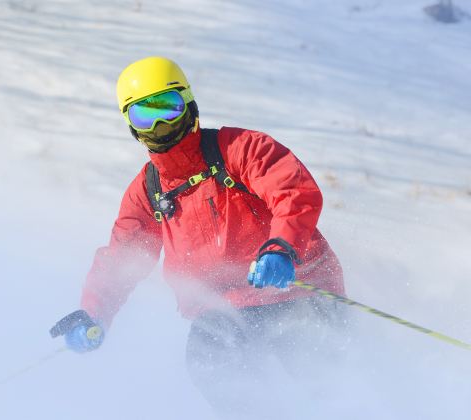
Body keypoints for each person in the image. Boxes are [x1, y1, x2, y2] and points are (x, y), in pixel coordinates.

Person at [52, 56, 346, 419]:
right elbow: (123, 256)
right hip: (223, 306)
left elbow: (293, 192)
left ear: (188, 103)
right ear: (130, 124)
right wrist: (94, 312)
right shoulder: (148, 191)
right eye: (145, 115)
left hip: (294, 286)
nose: (160, 124)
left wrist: (280, 247)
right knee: (208, 363)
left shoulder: (240, 149)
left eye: (168, 109)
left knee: (310, 362)